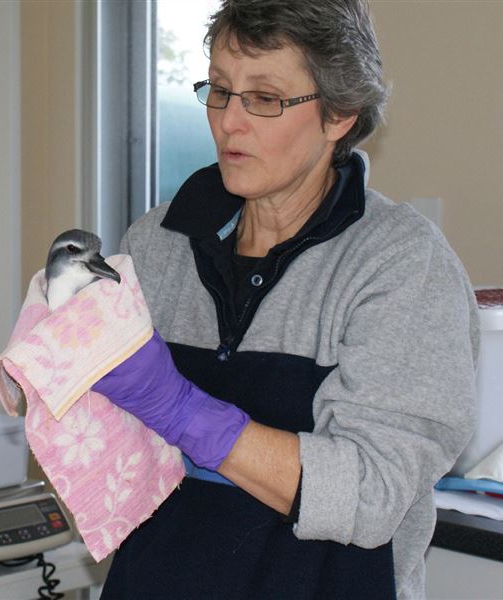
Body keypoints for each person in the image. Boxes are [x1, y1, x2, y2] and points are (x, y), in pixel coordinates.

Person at [89, 1, 478, 597]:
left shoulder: (399, 265)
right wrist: (58, 373)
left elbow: (372, 492)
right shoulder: (155, 245)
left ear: (339, 113)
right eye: (218, 90)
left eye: (265, 98)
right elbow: (110, 460)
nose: (228, 123)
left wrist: (186, 413)